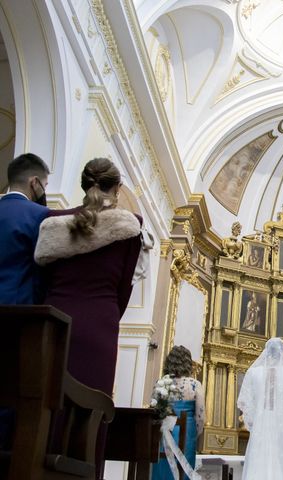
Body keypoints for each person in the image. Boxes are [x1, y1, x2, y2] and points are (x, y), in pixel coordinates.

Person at [34, 158, 142, 478]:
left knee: (45, 403)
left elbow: (42, 282)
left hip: (54, 322)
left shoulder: (52, 221)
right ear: (118, 188)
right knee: (92, 410)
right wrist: (105, 315)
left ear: (84, 184)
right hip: (99, 326)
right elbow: (124, 289)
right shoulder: (129, 226)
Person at [238, 338, 283, 480]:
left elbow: (246, 403)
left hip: (261, 427)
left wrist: (253, 422)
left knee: (258, 462)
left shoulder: (254, 372)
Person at [0, 153, 50, 305]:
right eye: (44, 185)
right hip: (15, 308)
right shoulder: (40, 214)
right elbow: (41, 269)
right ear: (34, 182)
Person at [152, 346, 204, 480]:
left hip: (163, 434)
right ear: (188, 363)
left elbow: (154, 412)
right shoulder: (195, 385)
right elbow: (200, 417)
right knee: (184, 466)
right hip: (187, 434)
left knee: (162, 466)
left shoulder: (162, 383)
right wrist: (195, 435)